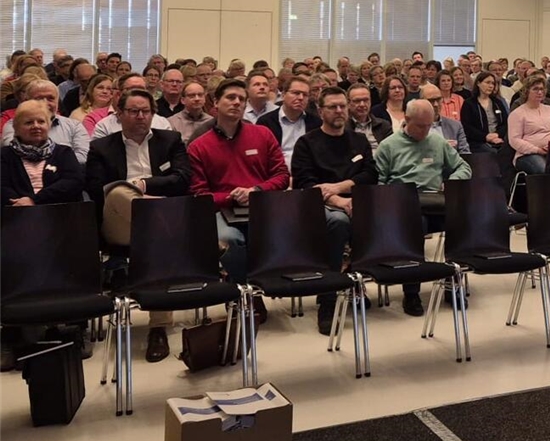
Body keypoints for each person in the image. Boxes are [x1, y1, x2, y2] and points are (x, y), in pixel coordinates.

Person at [85, 88, 191, 362]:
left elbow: (182, 179)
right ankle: (185, 239)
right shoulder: (102, 147)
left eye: (146, 111)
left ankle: (158, 328)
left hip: (159, 220)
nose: (140, 116)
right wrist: (137, 195)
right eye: (133, 111)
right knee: (119, 193)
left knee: (156, 245)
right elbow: (98, 190)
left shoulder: (170, 140)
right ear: (119, 114)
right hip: (118, 222)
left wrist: (144, 186)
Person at [189, 79, 289, 292]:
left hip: (260, 204)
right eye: (230, 98)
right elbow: (199, 195)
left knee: (281, 232)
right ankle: (247, 293)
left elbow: (281, 175)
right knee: (229, 239)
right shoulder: (199, 145)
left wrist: (256, 190)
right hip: (222, 209)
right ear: (215, 102)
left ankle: (247, 291)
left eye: (241, 99)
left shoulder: (262, 134)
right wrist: (231, 197)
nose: (236, 103)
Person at [291, 87, 376, 335]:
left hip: (356, 199)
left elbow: (370, 174)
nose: (339, 111)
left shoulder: (358, 140)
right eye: (333, 107)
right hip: (319, 205)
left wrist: (341, 186)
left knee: (381, 217)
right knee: (339, 223)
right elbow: (304, 183)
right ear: (320, 111)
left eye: (342, 106)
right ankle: (327, 300)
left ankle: (352, 281)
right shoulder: (307, 143)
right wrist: (338, 200)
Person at [374, 100, 472, 316]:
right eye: (420, 126)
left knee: (460, 221)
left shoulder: (436, 142)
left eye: (429, 125)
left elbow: (463, 167)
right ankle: (411, 292)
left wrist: (452, 180)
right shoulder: (389, 146)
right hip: (404, 205)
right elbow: (378, 183)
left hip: (434, 201)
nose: (425, 130)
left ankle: (452, 282)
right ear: (406, 120)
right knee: (417, 225)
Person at [1, 101, 85, 207]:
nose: (36, 126)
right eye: (28, 122)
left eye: (41, 122)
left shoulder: (64, 153)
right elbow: (3, 187)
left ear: (49, 126)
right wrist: (20, 204)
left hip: (61, 215)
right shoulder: (4, 155)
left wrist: (34, 200)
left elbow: (74, 182)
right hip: (15, 215)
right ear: (16, 128)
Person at [1, 79, 90, 165]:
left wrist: (50, 167)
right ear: (26, 101)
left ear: (58, 101)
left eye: (50, 98)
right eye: (39, 98)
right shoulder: (13, 125)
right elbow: (14, 155)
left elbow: (83, 157)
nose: (45, 103)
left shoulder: (74, 126)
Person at [257, 75, 319, 172]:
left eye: (305, 95)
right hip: (276, 175)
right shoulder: (266, 122)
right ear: (283, 95)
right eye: (296, 93)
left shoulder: (316, 123)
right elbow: (262, 158)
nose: (301, 98)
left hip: (308, 176)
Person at [90, 74, 173, 139]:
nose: (137, 93)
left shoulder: (162, 124)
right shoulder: (104, 126)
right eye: (131, 89)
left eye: (141, 89)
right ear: (119, 94)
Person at [508, 74, 550, 176]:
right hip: (527, 155)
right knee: (544, 170)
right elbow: (514, 140)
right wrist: (537, 150)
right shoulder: (517, 113)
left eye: (542, 89)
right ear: (526, 91)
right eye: (535, 89)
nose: (540, 92)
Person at [461, 71, 508, 154]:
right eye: (487, 82)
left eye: (493, 83)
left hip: (498, 139)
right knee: (492, 153)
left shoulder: (497, 103)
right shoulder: (469, 103)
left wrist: (497, 134)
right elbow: (467, 127)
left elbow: (505, 123)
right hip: (478, 142)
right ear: (478, 83)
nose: (490, 86)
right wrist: (486, 137)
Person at [420, 83, 470, 154]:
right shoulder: (413, 127)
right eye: (431, 100)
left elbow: (465, 153)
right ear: (421, 102)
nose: (436, 104)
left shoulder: (455, 126)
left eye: (438, 99)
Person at [167, 81, 214, 145]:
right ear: (183, 100)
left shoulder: (212, 122)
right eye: (192, 96)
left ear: (204, 99)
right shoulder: (171, 122)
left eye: (200, 95)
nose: (197, 99)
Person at [346, 83, 391, 150]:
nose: (362, 104)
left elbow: (392, 151)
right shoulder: (342, 127)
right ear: (348, 103)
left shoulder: (383, 126)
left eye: (366, 100)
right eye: (357, 101)